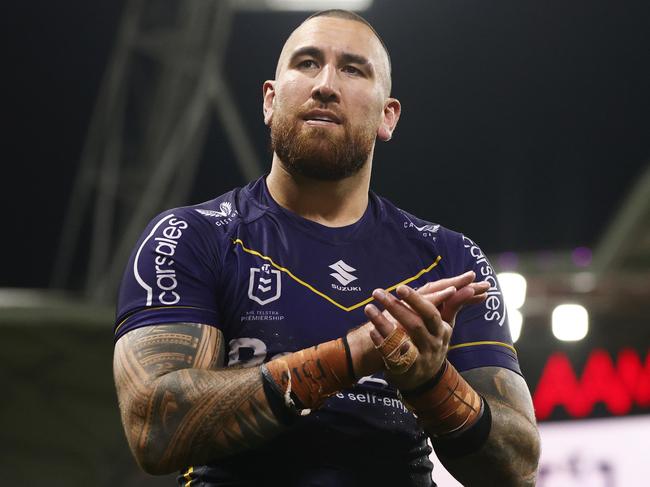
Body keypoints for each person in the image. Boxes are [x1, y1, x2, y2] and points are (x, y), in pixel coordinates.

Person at [113, 9, 540, 486]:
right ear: (270, 101)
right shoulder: (192, 236)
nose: (326, 85)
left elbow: (516, 468)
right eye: (308, 63)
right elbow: (153, 428)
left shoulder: (450, 260)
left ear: (388, 116)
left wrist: (430, 383)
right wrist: (353, 356)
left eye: (353, 69)